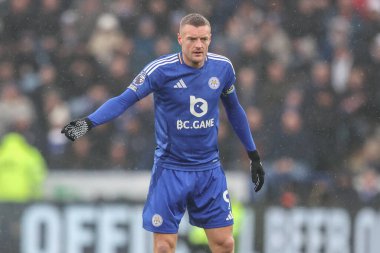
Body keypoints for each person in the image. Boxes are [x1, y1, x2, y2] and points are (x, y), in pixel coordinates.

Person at [61, 13, 264, 253]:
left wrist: (253, 155)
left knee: (225, 243)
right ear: (180, 39)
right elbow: (125, 100)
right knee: (164, 247)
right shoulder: (160, 70)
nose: (198, 45)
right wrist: (89, 122)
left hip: (208, 170)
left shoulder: (223, 68)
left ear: (210, 39)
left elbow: (235, 111)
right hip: (171, 170)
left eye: (203, 39)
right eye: (191, 39)